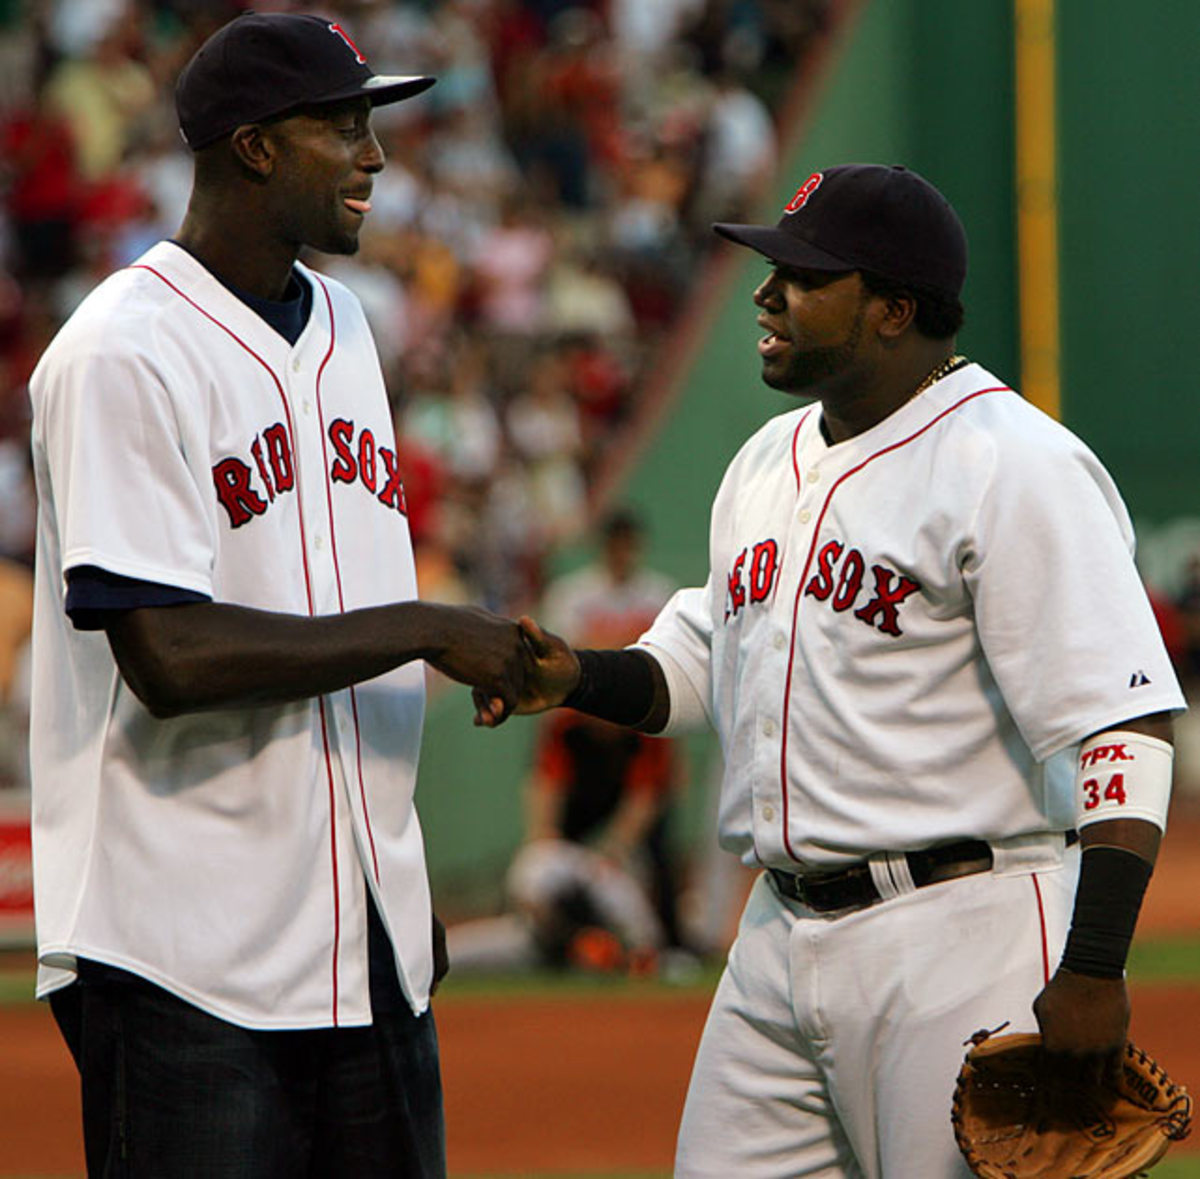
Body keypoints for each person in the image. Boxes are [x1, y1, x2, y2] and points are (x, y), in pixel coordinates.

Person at [476, 164, 1187, 1176]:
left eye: (805, 277)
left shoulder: (1012, 463)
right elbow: (706, 655)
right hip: (776, 934)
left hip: (962, 934)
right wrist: (575, 678)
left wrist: (1095, 968)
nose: (766, 295)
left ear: (895, 310)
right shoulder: (767, 460)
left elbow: (1122, 727)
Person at [27, 13, 531, 1177]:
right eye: (344, 126)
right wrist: (426, 630)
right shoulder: (123, 349)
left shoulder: (348, 321)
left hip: (360, 943)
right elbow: (168, 656)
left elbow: (333, 590)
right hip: (185, 960)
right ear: (254, 147)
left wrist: (381, 880)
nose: (376, 156)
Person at [448, 509, 689, 976]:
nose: (622, 552)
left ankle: (661, 946)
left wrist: (611, 853)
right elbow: (545, 786)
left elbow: (644, 797)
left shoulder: (658, 595)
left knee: (652, 856)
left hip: (632, 747)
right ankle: (564, 940)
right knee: (539, 871)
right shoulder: (575, 602)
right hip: (583, 786)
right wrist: (546, 843)